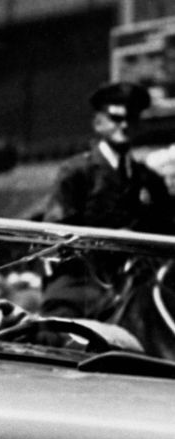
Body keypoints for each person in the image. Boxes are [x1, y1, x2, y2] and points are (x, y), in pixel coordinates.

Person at [42, 81, 175, 319]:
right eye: (115, 118)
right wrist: (114, 241)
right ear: (98, 123)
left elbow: (166, 230)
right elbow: (56, 235)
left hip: (140, 281)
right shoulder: (76, 172)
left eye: (132, 119)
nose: (124, 125)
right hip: (83, 281)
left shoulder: (150, 180)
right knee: (60, 332)